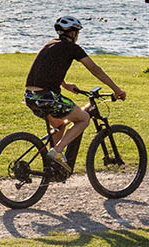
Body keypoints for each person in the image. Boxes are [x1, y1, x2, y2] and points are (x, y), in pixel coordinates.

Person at [24, 16, 126, 173]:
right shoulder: (72, 48)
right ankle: (57, 151)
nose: (77, 35)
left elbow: (48, 67)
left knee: (59, 124)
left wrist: (65, 85)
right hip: (47, 97)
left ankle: (52, 167)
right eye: (77, 32)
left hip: (31, 96)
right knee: (84, 118)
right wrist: (116, 89)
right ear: (72, 33)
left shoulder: (51, 44)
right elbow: (94, 68)